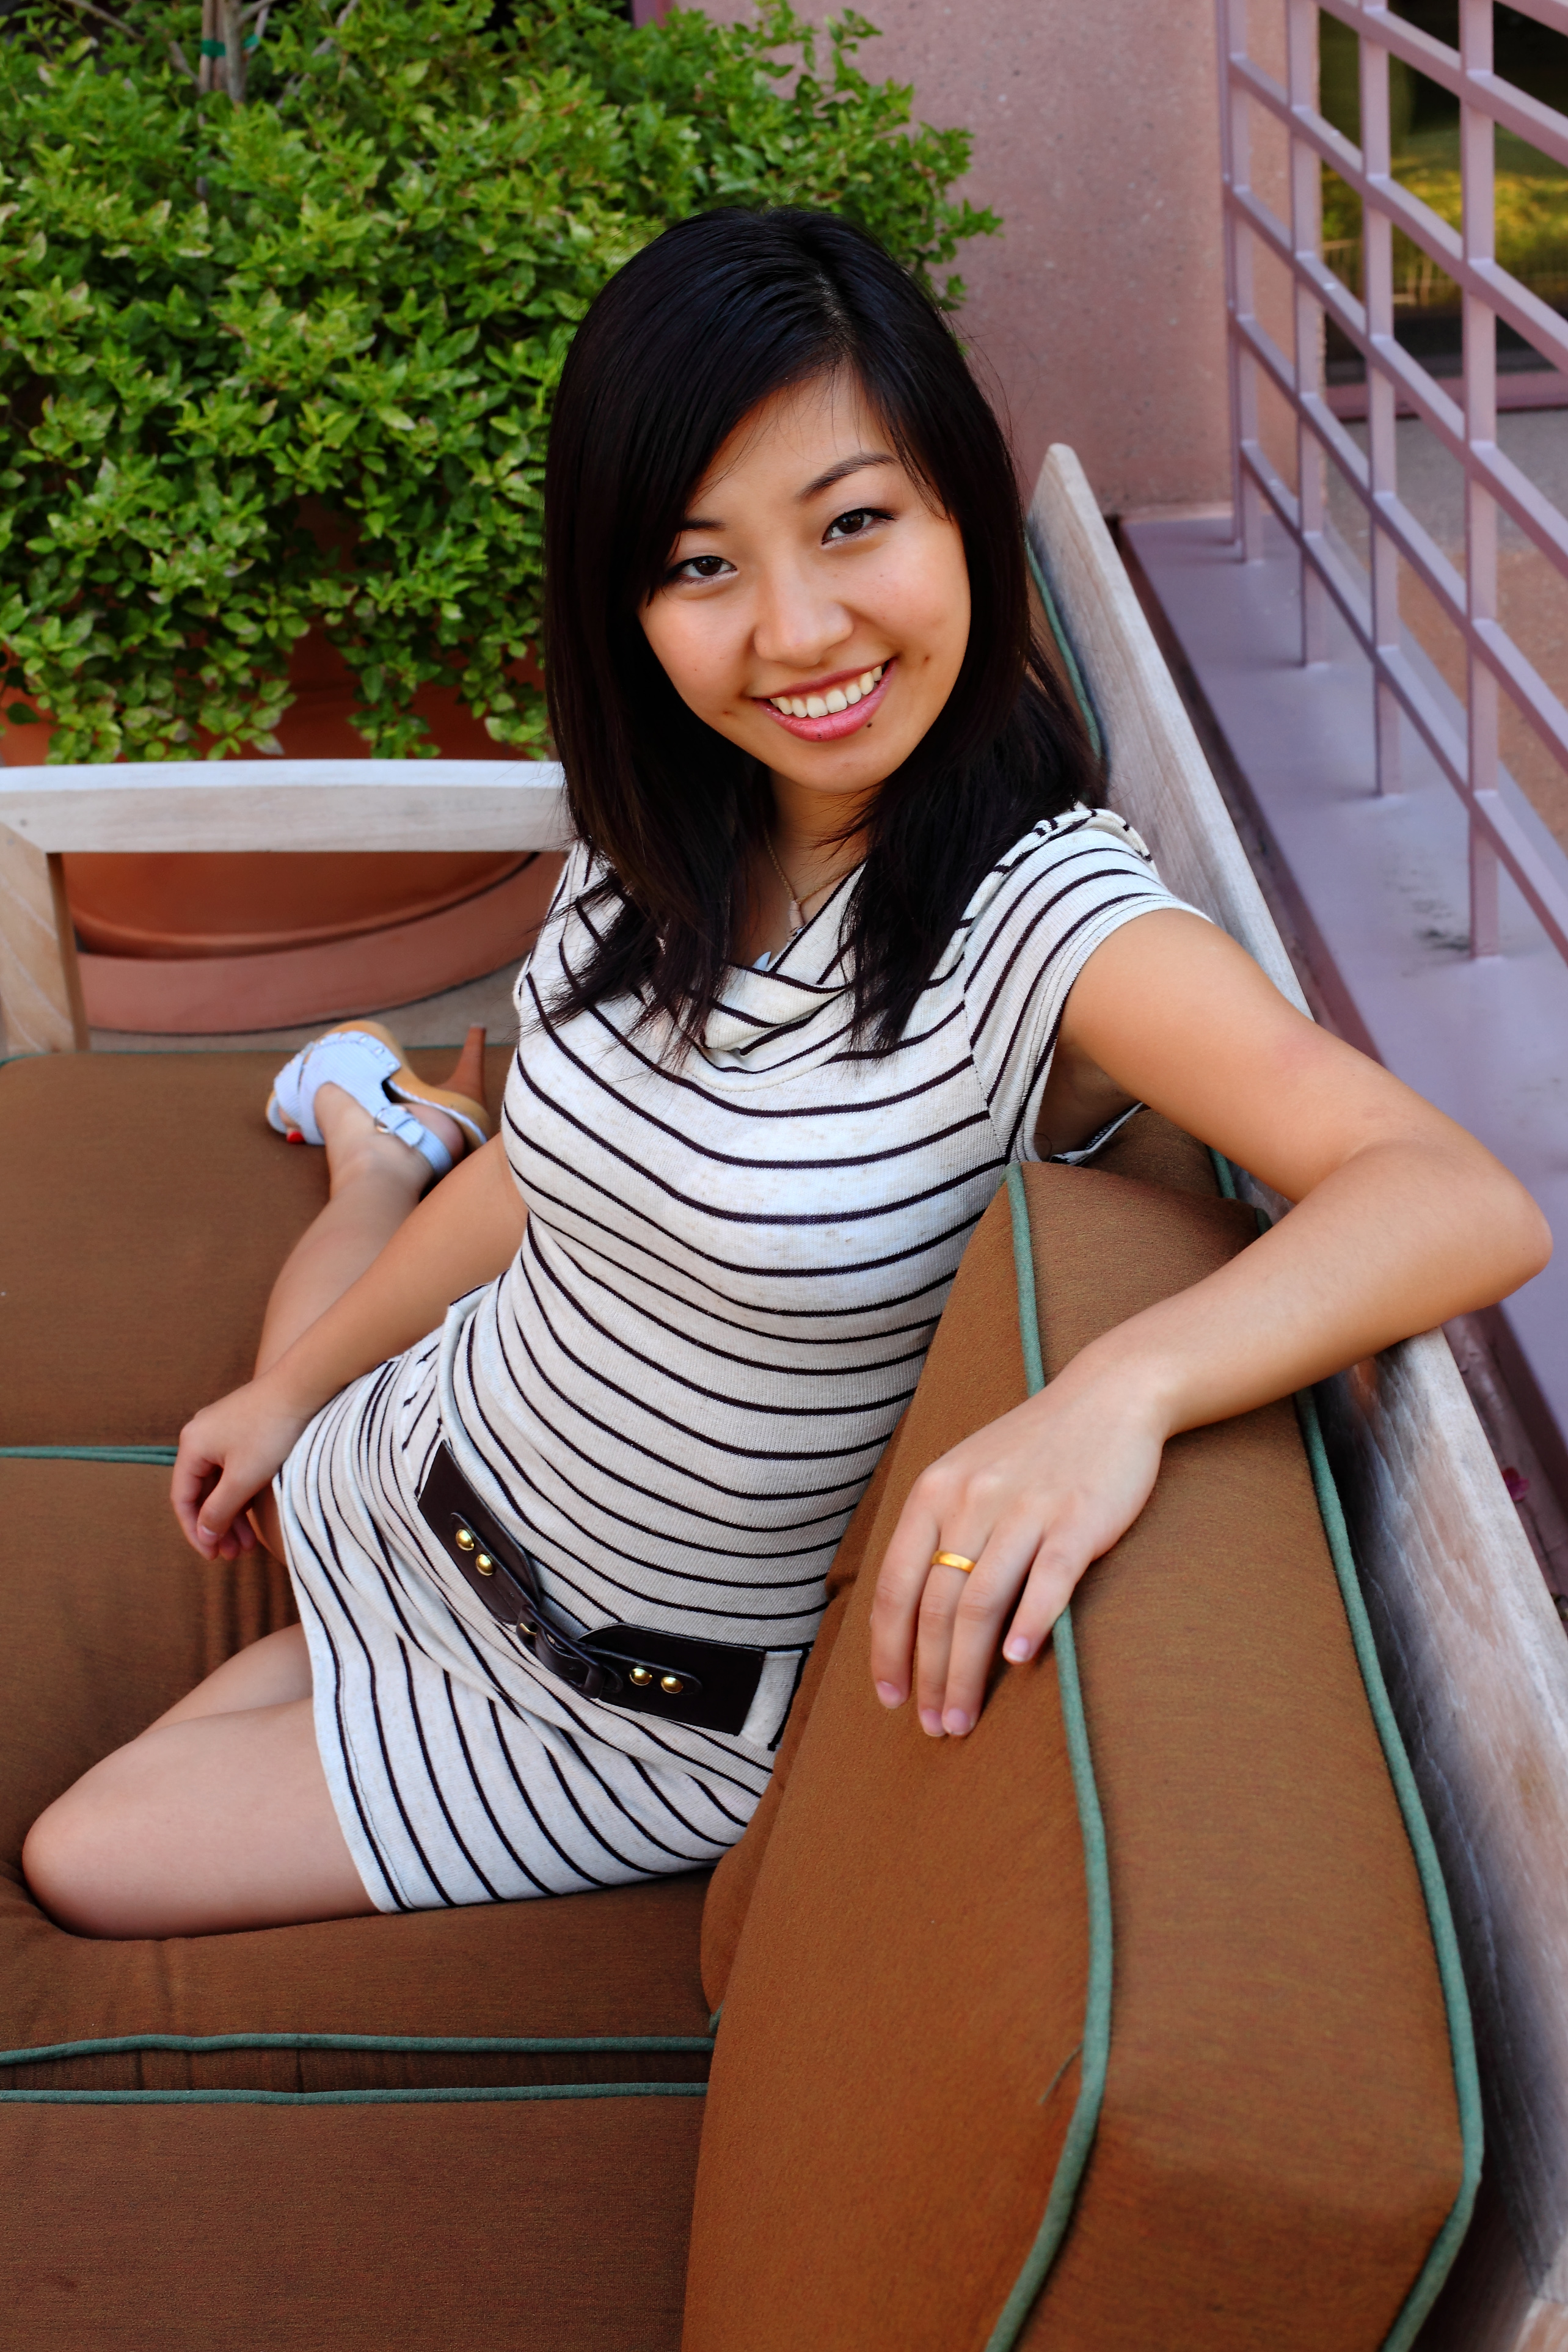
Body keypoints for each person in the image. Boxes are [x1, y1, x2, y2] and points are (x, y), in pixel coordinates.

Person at [22, 209, 1549, 1941]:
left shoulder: (1046, 923)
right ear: (625, 601)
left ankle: (379, 1136)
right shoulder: (674, 826)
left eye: (853, 522)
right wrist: (299, 1388)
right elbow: (551, 1170)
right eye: (702, 565)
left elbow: (1453, 1194)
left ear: (959, 508)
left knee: (88, 1852)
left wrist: (1115, 1393)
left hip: (628, 1704)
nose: (798, 630)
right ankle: (384, 1147)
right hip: (434, 1459)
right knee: (284, 1373)